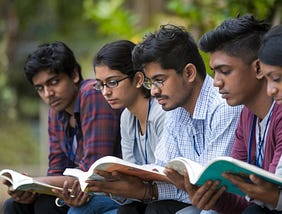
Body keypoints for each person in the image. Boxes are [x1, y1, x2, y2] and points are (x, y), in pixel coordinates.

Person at [86, 24, 242, 213]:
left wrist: (147, 190)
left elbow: (209, 189)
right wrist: (139, 188)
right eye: (151, 82)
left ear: (189, 73)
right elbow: (162, 169)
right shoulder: (174, 109)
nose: (154, 90)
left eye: (160, 80)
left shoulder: (222, 107)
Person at [181, 14, 282, 214]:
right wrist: (210, 197)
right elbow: (240, 201)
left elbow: (276, 193)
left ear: (258, 68)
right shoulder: (246, 116)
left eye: (224, 71)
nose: (216, 82)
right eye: (214, 72)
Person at [2, 41, 122, 214]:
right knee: (13, 206)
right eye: (40, 88)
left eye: (54, 82)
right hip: (75, 190)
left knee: (45, 205)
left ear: (73, 75)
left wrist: (36, 181)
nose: (48, 93)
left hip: (108, 190)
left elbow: (93, 173)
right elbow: (56, 169)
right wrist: (30, 189)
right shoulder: (56, 112)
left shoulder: (92, 94)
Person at [222, 22, 282, 214]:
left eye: (276, 78)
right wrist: (258, 191)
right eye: (267, 80)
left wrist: (274, 197)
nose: (270, 90)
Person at [67, 39, 167, 212]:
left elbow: (166, 174)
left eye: (112, 82)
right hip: (139, 197)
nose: (105, 92)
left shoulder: (161, 113)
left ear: (137, 79)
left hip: (166, 196)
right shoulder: (127, 117)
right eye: (100, 84)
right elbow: (130, 170)